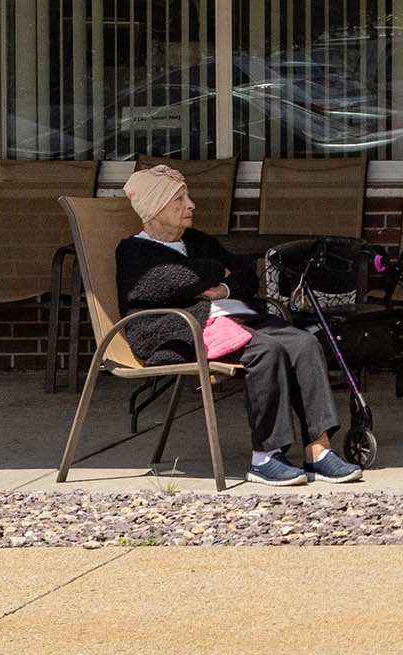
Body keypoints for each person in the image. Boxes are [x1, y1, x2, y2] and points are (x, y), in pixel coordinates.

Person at [114, 163, 359, 486]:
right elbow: (175, 280)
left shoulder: (197, 241)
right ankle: (265, 457)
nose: (191, 205)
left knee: (304, 342)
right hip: (180, 330)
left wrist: (224, 286)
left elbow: (244, 273)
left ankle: (319, 451)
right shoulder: (133, 251)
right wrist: (216, 270)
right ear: (155, 209)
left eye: (187, 197)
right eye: (179, 200)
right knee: (266, 351)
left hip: (231, 318)